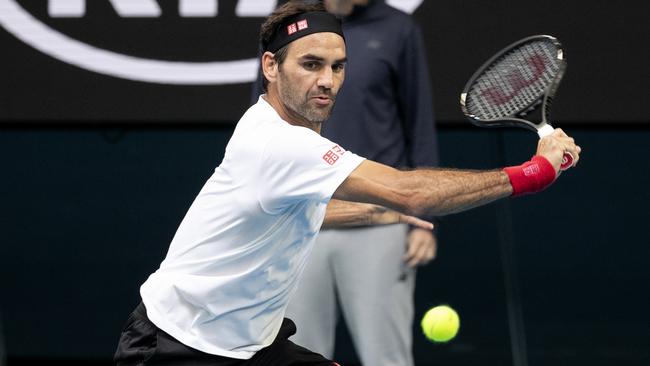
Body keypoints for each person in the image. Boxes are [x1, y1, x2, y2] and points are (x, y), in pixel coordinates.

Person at [114, 1, 581, 365]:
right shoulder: (282, 144)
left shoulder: (273, 129)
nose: (328, 81)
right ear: (271, 67)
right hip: (176, 347)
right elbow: (411, 190)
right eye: (310, 64)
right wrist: (535, 172)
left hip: (252, 348)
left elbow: (293, 210)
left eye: (337, 67)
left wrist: (376, 212)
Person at [276, 1, 439, 365]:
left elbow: (419, 124)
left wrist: (425, 221)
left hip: (380, 222)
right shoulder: (291, 25)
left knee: (387, 357)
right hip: (303, 221)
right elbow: (265, 117)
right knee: (299, 355)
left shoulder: (399, 29)